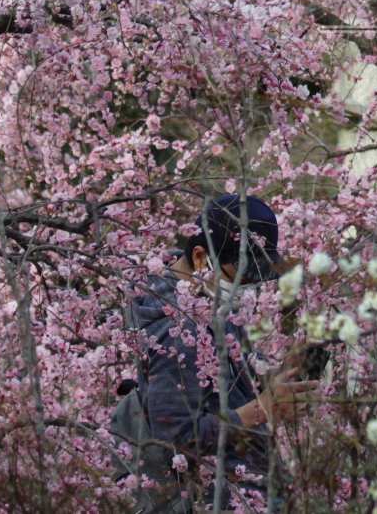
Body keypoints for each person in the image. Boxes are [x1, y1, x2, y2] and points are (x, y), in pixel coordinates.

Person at [128, 194, 320, 513]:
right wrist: (263, 409)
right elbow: (174, 439)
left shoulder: (206, 305)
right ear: (202, 258)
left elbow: (223, 387)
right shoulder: (178, 333)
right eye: (242, 274)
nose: (249, 285)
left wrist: (271, 381)